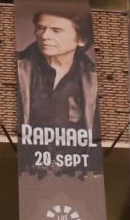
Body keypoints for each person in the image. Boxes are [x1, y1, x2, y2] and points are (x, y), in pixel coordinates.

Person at [14, 8, 99, 141]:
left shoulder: (95, 78)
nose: (44, 35)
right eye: (40, 28)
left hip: (77, 159)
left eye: (56, 30)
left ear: (82, 39)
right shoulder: (13, 66)